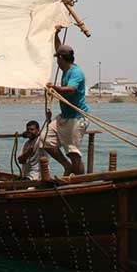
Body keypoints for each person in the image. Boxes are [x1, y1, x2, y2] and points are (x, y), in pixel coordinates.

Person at [44, 25, 89, 175]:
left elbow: (71, 90)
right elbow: (59, 47)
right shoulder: (66, 69)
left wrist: (54, 88)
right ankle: (67, 166)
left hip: (76, 118)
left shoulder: (76, 72)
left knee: (73, 153)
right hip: (65, 117)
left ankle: (80, 183)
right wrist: (56, 33)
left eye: (58, 57)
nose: (57, 59)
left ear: (61, 59)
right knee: (46, 141)